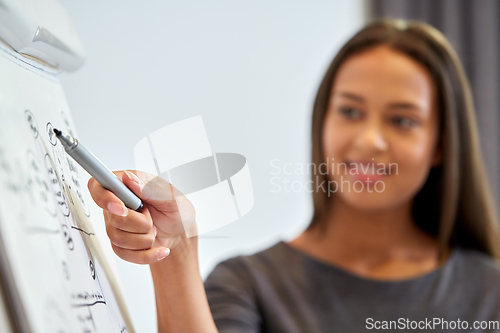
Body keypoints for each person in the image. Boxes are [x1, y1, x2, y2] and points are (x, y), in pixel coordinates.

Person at [88, 19, 500, 332]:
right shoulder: (248, 285)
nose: (370, 139)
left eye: (403, 120)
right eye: (350, 111)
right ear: (322, 122)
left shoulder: (490, 295)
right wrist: (176, 251)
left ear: (441, 144)